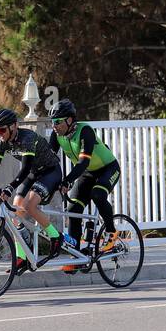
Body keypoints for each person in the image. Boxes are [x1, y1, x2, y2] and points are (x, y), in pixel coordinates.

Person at [0, 107, 63, 275]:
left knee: (29, 206)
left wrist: (10, 187)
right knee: (15, 210)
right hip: (33, 173)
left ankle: (55, 236)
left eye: (1, 129)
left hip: (50, 171)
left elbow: (25, 168)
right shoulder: (1, 141)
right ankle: (22, 255)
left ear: (14, 126)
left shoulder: (27, 138)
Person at [47, 99, 122, 273]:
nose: (54, 126)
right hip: (87, 173)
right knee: (73, 210)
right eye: (52, 122)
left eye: (57, 122)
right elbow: (50, 160)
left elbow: (81, 164)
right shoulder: (57, 135)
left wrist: (67, 180)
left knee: (97, 194)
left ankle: (112, 234)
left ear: (70, 120)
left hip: (107, 168)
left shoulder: (85, 131)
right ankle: (77, 257)